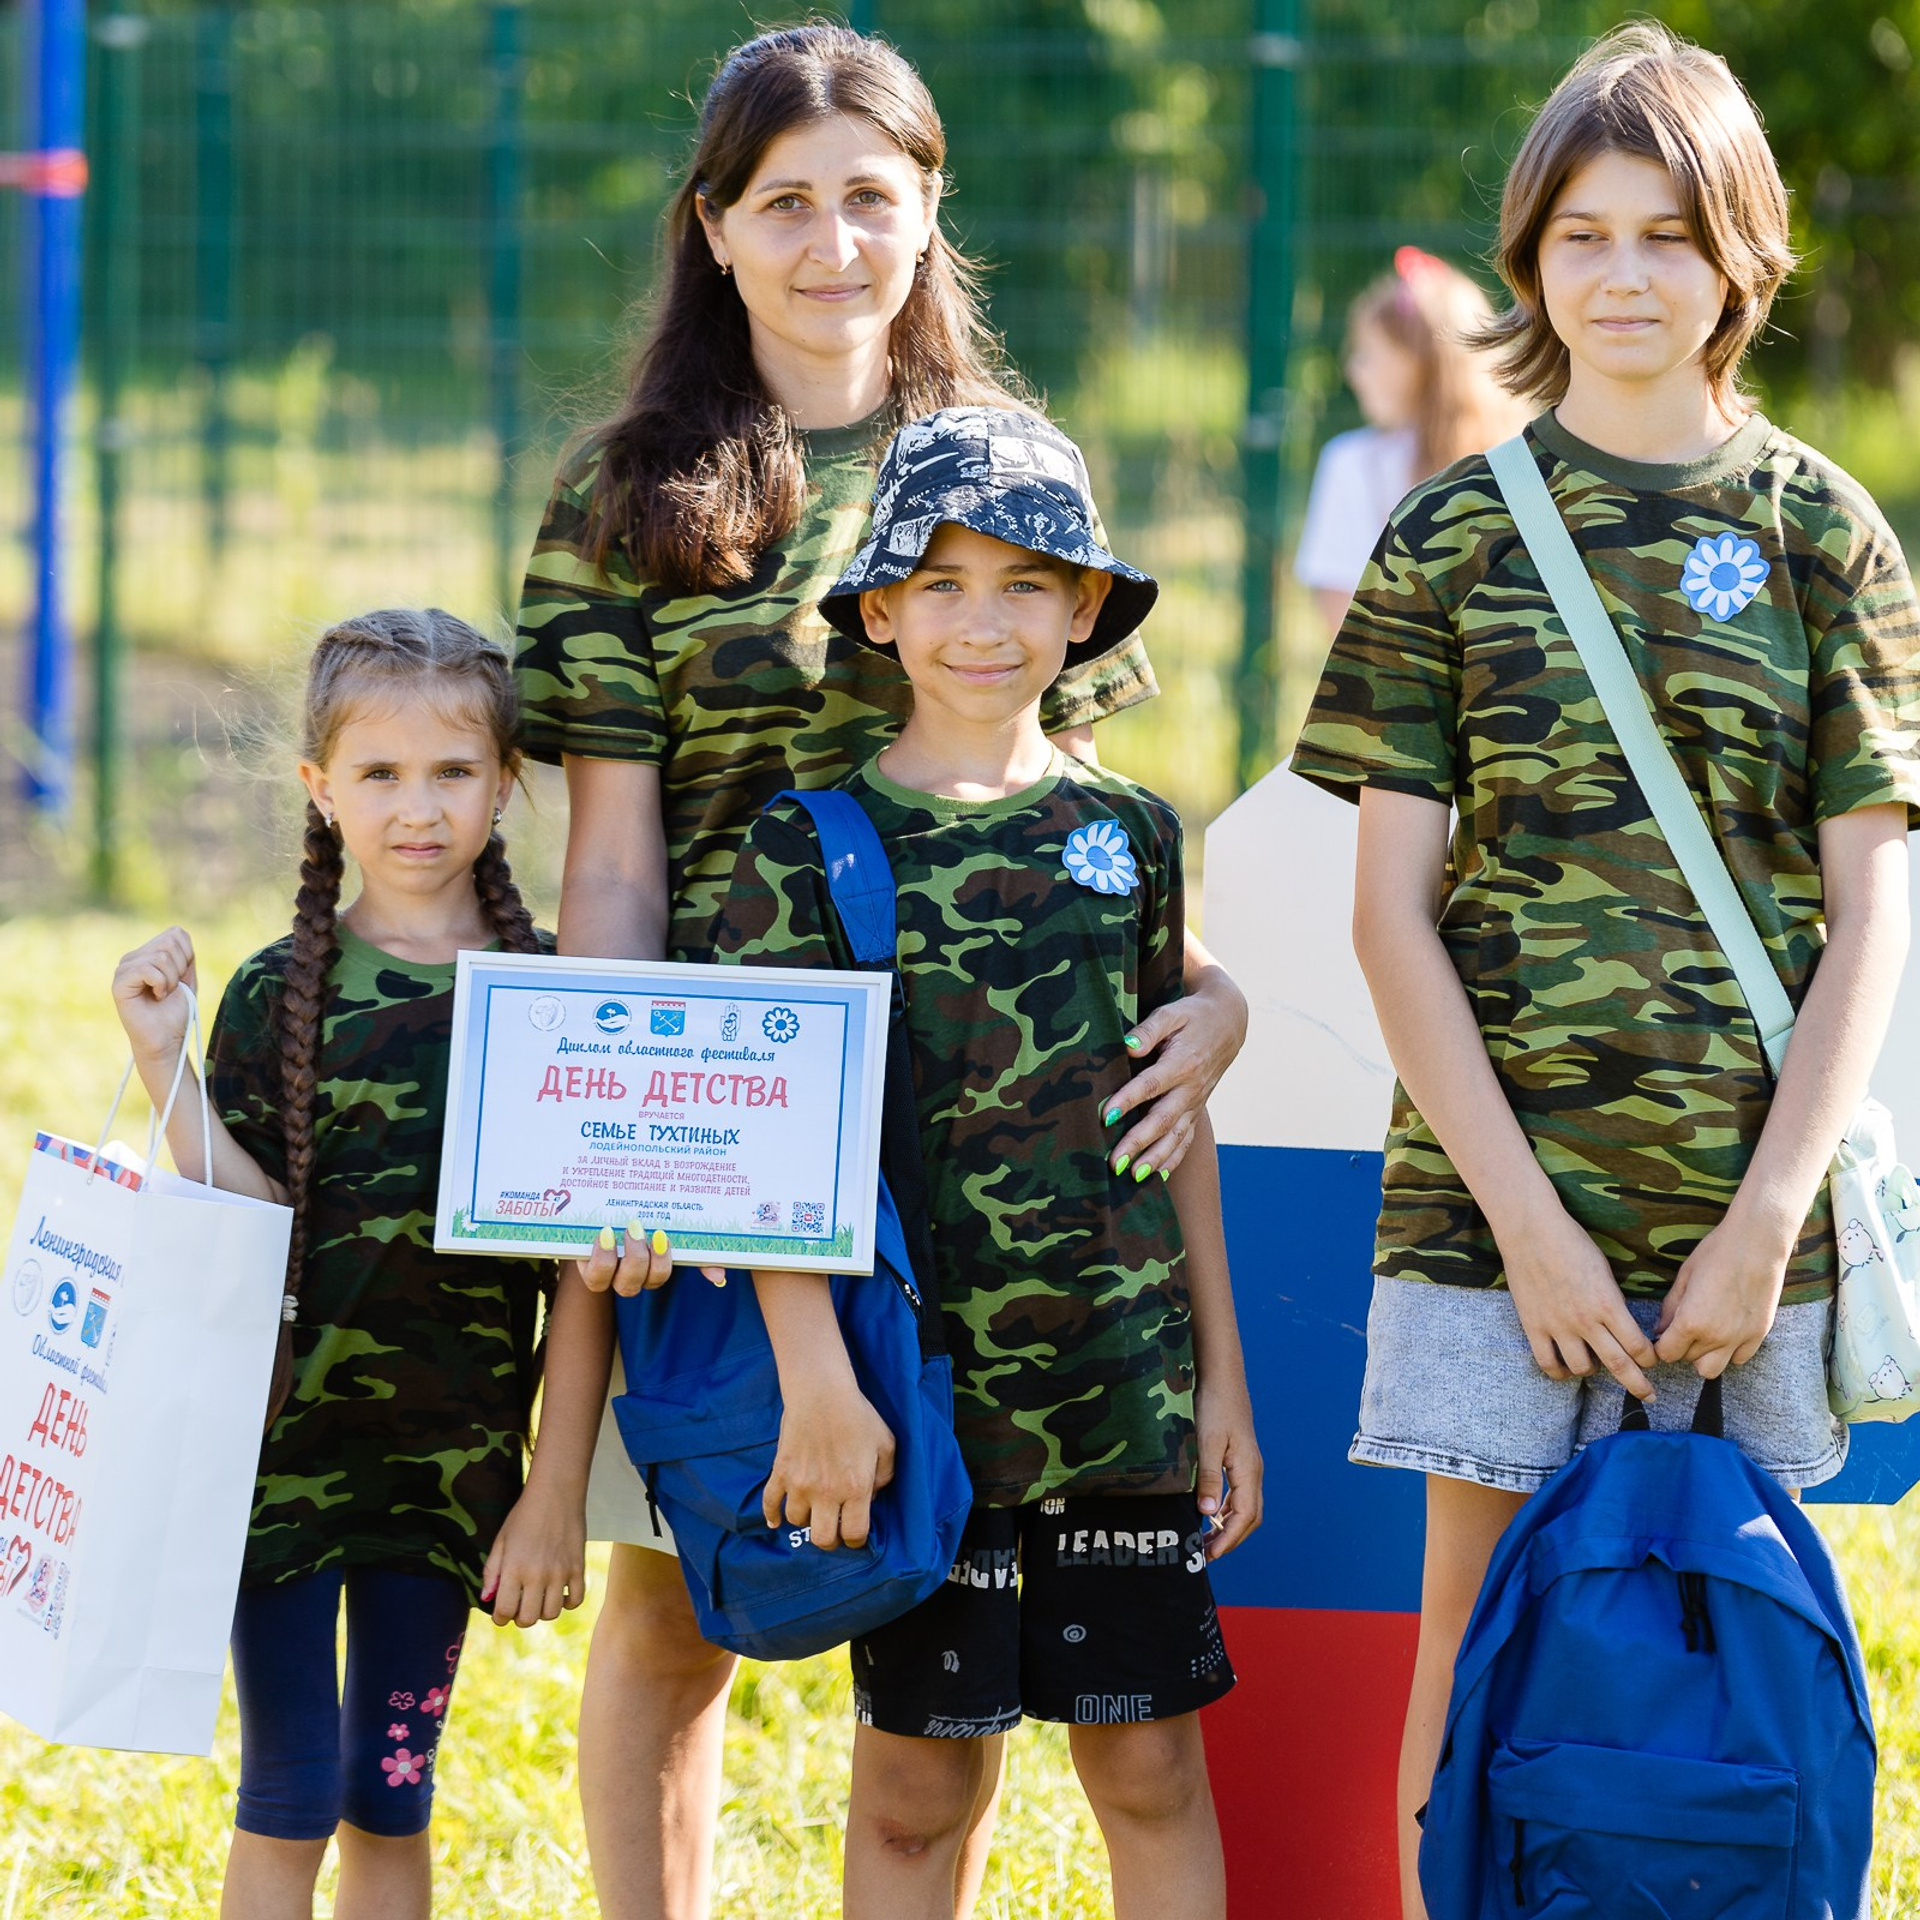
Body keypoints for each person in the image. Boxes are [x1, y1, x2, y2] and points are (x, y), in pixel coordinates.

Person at [497, 24, 1249, 1920]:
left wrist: (1218, 996)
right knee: (689, 1590)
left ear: (927, 216)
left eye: (870, 198)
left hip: (990, 1146)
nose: (833, 241)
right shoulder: (629, 498)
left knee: (952, 1673)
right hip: (738, 1144)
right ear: (715, 230)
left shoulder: (1003, 468)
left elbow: (1085, 824)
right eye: (786, 202)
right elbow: (612, 857)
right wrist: (626, 1156)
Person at [1288, 24, 1919, 1920]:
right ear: (1529, 265)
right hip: (1493, 1217)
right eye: (1580, 234)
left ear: (1745, 256)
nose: (1624, 275)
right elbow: (1386, 908)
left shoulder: (1825, 531)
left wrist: (1761, 1223)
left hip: (1748, 1221)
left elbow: (1872, 903)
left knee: (1721, 1669)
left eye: (1667, 232)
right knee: (1473, 1664)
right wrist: (1534, 1230)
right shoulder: (1455, 535)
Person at [715, 405, 1263, 1919]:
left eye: (1027, 585)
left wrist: (1221, 1380)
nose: (983, 622)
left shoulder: (1131, 837)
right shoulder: (812, 848)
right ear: (880, 612)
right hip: (911, 1407)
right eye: (943, 585)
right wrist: (817, 1384)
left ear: (1085, 611)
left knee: (1150, 1769)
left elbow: (1175, 1119)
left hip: (1120, 1397)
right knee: (914, 1793)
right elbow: (769, 1153)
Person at [110, 609, 551, 1920]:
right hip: (281, 1467)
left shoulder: (556, 997)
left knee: (392, 1786)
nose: (418, 808)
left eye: (454, 771)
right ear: (320, 787)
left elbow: (579, 1278)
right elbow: (244, 1221)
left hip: (450, 1478)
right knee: (291, 1785)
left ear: (507, 780)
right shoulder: (271, 992)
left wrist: (550, 1484)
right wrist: (160, 1068)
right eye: (380, 773)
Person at [1293, 248, 1526, 639]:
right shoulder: (1524, 460)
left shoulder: (1353, 463)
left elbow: (1342, 617)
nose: (1353, 371)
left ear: (1420, 362)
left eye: (1367, 354)